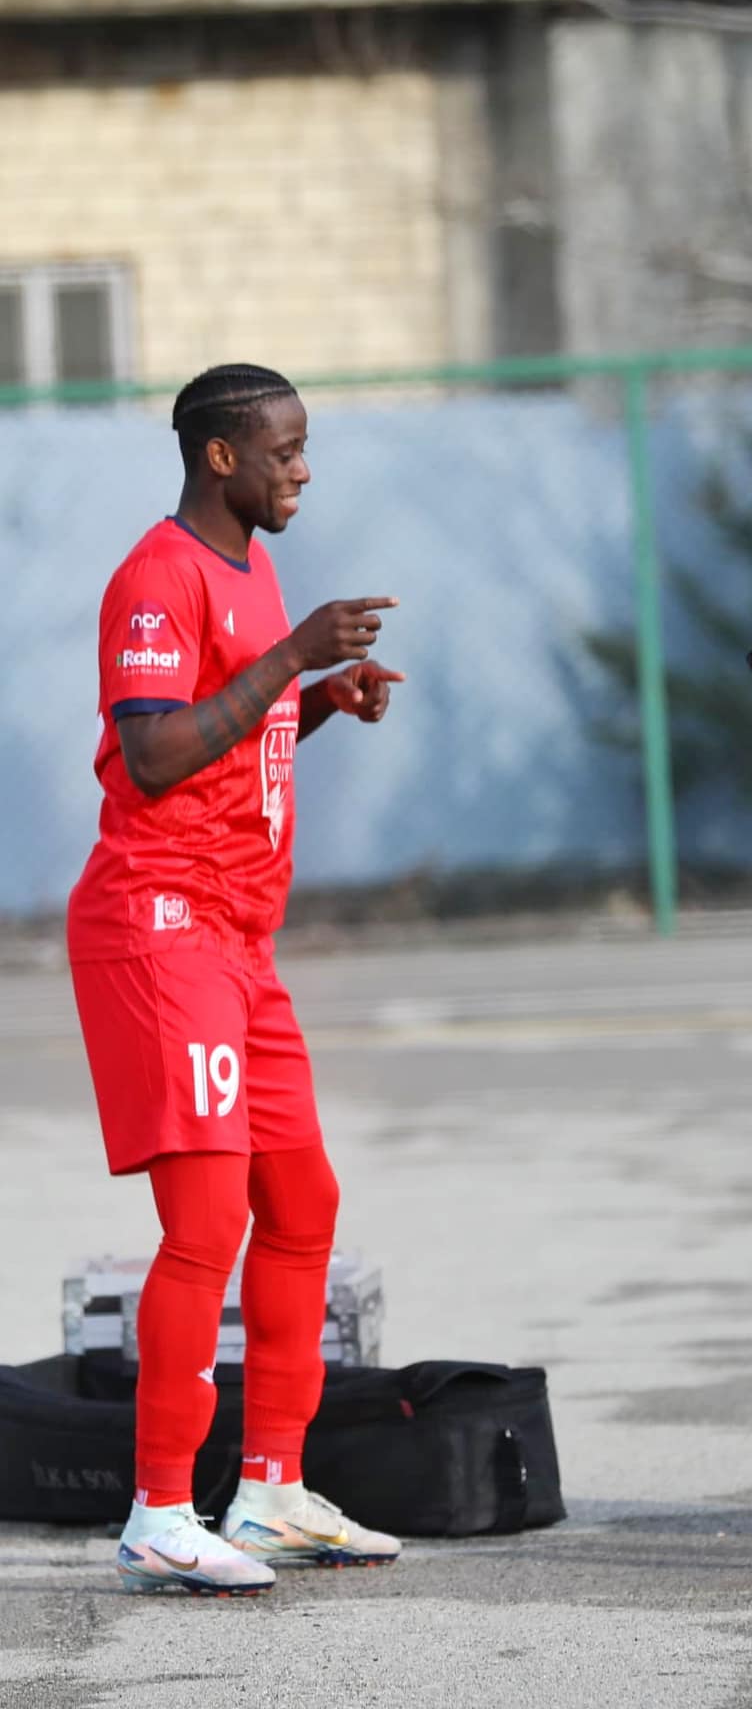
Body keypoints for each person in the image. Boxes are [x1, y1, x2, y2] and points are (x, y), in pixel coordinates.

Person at [67, 364, 408, 1596]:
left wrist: (316, 699)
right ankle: (160, 1508)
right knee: (205, 1223)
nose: (302, 467)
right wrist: (292, 659)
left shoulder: (252, 570)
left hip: (240, 939)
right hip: (160, 927)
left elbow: (232, 731)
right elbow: (155, 753)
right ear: (222, 456)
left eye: (303, 447)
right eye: (285, 449)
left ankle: (266, 1490)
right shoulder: (154, 576)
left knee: (302, 1201)